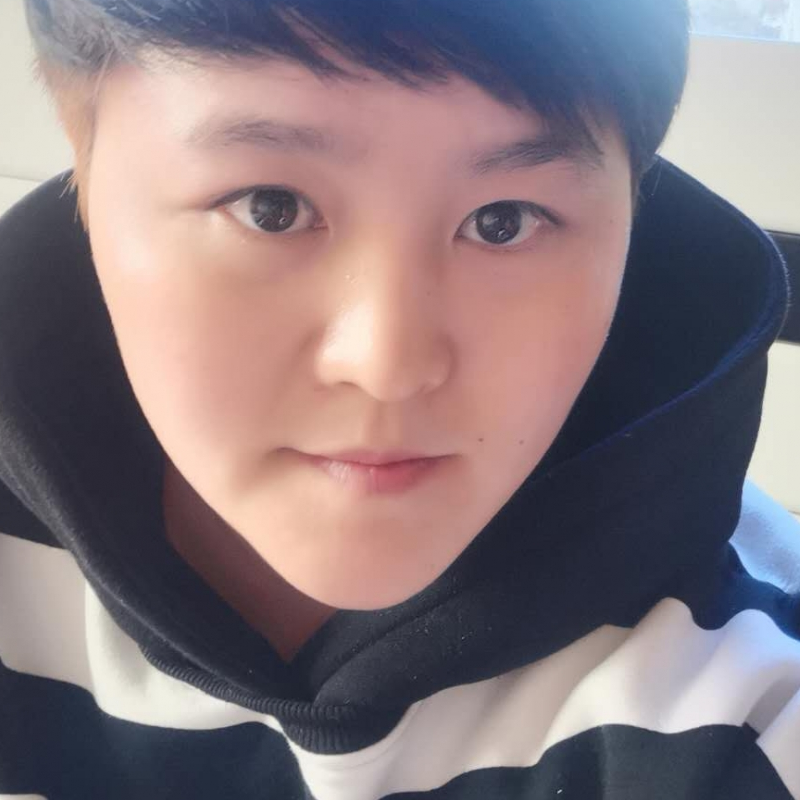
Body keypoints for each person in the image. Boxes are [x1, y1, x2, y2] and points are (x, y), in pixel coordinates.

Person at [0, 0, 798, 797]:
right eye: (271, 208)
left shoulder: (751, 703)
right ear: (85, 177)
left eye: (502, 222)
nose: (387, 366)